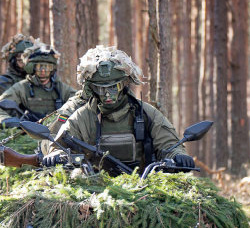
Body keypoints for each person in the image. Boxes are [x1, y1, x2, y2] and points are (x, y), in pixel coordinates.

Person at [42, 46, 195, 173]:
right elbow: (59, 145)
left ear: (125, 84)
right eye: (101, 88)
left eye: (114, 87)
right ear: (92, 89)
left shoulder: (146, 113)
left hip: (142, 186)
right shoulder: (83, 116)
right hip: (93, 189)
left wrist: (178, 155)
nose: (108, 94)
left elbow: (168, 143)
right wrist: (56, 154)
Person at [0, 41, 76, 127]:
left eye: (47, 67)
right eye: (39, 67)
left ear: (53, 69)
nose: (43, 70)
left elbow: (80, 101)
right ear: (31, 68)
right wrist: (8, 121)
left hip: (55, 133)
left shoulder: (61, 88)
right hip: (25, 133)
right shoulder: (21, 88)